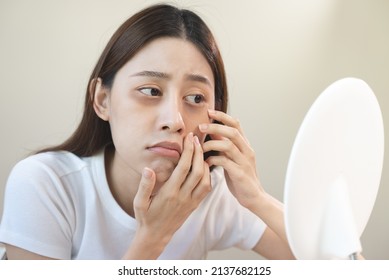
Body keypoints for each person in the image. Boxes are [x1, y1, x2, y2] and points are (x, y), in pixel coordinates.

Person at [0, 4, 294, 260]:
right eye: (151, 91)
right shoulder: (46, 184)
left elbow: (331, 265)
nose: (175, 120)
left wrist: (256, 198)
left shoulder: (209, 193)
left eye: (195, 98)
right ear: (102, 100)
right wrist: (152, 238)